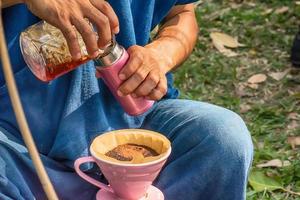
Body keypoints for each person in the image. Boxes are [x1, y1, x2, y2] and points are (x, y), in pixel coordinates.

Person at [0, 0, 253, 199]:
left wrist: (163, 53)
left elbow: (181, 13)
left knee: (222, 137)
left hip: (133, 133)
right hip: (17, 144)